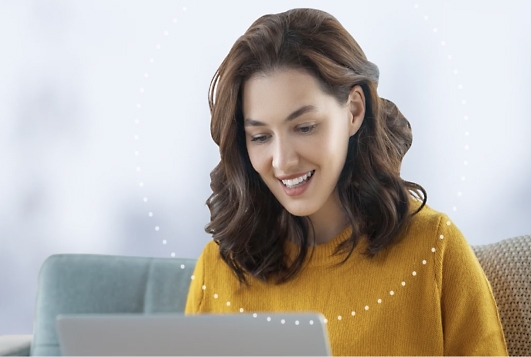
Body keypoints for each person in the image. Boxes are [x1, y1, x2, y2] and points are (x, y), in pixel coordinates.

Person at [185, 8, 508, 356]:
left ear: (353, 110)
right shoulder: (218, 266)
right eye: (260, 137)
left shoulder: (434, 249)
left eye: (304, 127)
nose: (282, 161)